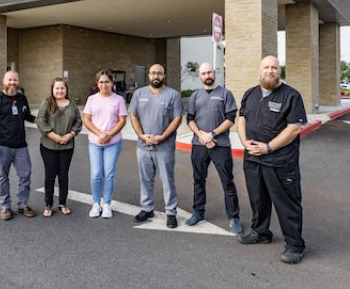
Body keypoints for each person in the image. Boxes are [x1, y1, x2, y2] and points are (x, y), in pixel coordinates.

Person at [237, 55, 307, 264]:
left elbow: (294, 128)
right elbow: (242, 118)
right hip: (253, 159)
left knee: (286, 203)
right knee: (258, 199)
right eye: (266, 67)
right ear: (259, 70)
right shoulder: (250, 94)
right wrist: (244, 141)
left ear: (279, 71)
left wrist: (268, 147)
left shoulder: (291, 96)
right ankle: (261, 232)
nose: (270, 70)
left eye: (274, 67)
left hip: (280, 161)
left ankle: (295, 244)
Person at [185, 62, 242, 235]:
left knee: (227, 181)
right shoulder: (195, 95)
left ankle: (234, 218)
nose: (207, 75)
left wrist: (212, 134)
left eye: (209, 72)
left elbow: (231, 118)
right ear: (200, 76)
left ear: (214, 73)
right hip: (199, 145)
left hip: (220, 145)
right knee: (198, 180)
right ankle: (199, 213)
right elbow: (190, 118)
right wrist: (202, 136)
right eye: (203, 73)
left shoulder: (225, 94)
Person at [129, 64, 184, 228]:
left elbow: (177, 119)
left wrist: (162, 137)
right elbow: (133, 116)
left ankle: (171, 212)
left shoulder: (173, 95)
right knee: (145, 179)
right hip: (143, 145)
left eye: (159, 73)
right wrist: (141, 136)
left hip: (164, 147)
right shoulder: (139, 94)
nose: (156, 76)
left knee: (167, 180)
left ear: (164, 75)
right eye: (153, 73)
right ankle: (147, 208)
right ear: (148, 75)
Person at [0, 70, 37, 221]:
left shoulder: (22, 98)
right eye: (9, 80)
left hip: (21, 145)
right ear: (4, 81)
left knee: (25, 175)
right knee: (3, 177)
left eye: (15, 80)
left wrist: (41, 120)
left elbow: (27, 115)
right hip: (2, 146)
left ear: (18, 81)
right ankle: (5, 207)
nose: (12, 82)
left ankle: (23, 204)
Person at [82, 70, 128, 219]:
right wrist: (100, 134)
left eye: (106, 81)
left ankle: (106, 204)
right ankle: (96, 203)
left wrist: (109, 135)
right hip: (95, 142)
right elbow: (87, 119)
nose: (104, 84)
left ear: (112, 83)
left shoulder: (119, 100)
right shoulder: (92, 99)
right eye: (101, 82)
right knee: (96, 174)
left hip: (113, 142)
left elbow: (122, 121)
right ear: (97, 84)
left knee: (109, 174)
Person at [36, 78, 82, 217]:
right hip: (48, 145)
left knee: (63, 175)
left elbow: (78, 121)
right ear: (52, 89)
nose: (59, 91)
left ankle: (62, 202)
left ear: (66, 89)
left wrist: (71, 134)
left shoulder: (72, 104)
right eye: (57, 88)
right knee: (50, 175)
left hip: (67, 146)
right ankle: (48, 204)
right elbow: (40, 120)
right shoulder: (47, 103)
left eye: (62, 88)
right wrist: (53, 136)